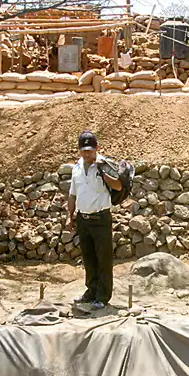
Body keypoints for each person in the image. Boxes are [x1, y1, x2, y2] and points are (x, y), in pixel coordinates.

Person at [67, 131, 122, 310]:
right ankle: (91, 291)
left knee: (103, 259)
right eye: (84, 150)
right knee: (89, 258)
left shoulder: (104, 164)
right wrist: (70, 216)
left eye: (90, 150)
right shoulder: (76, 168)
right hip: (83, 219)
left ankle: (103, 296)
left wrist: (102, 171)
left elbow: (118, 185)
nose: (87, 154)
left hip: (101, 217)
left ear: (97, 149)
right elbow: (72, 194)